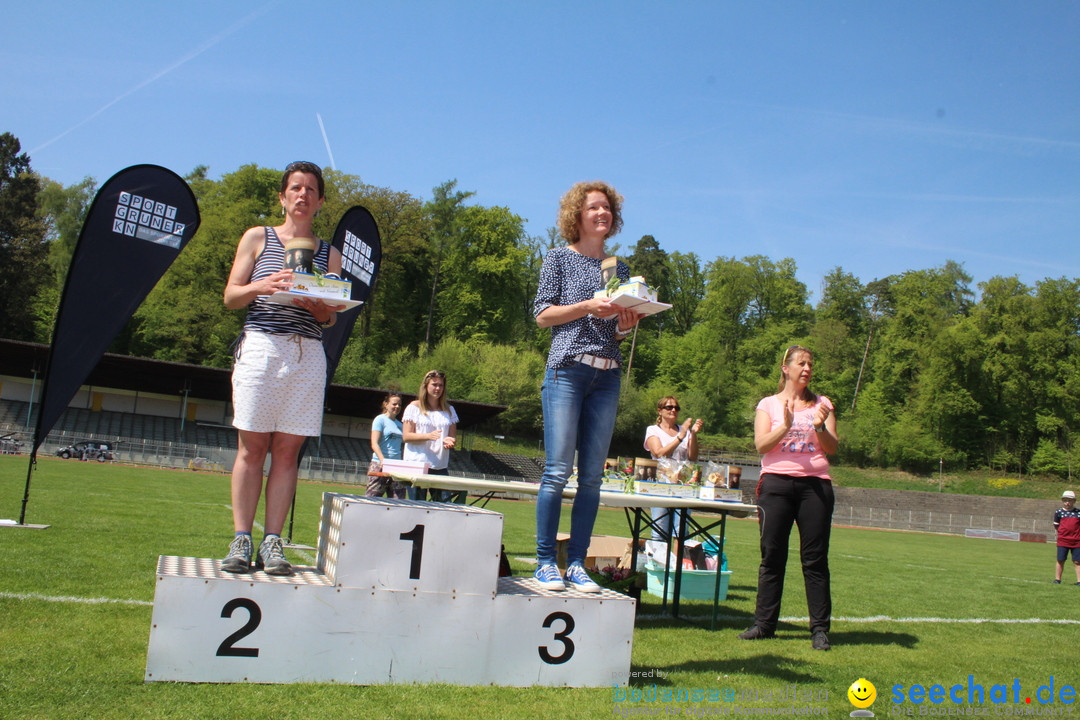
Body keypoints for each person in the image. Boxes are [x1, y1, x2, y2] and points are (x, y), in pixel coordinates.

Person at [220, 161, 344, 576]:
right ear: (283, 196)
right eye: (295, 188)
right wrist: (263, 285)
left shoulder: (330, 253)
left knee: (287, 453)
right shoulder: (258, 237)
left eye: (311, 189)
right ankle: (241, 538)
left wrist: (320, 307)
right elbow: (232, 296)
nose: (302, 195)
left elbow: (331, 318)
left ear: (320, 201)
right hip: (261, 347)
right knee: (252, 448)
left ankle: (273, 541)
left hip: (307, 352)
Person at [532, 181, 642, 593]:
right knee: (558, 471)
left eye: (608, 208)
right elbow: (542, 315)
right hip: (567, 371)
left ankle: (577, 563)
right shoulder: (559, 257)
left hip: (607, 375)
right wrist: (586, 306)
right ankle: (545, 561)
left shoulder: (618, 268)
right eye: (594, 207)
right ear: (577, 214)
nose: (602, 213)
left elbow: (613, 330)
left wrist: (625, 327)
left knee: (593, 477)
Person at [739, 344, 838, 650]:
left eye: (810, 364)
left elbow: (832, 447)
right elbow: (761, 446)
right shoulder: (767, 404)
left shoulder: (823, 403)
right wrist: (786, 424)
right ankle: (764, 625)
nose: (807, 369)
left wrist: (819, 425)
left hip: (815, 487)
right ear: (786, 368)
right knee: (772, 557)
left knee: (815, 560)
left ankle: (820, 630)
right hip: (776, 486)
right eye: (801, 363)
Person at [644, 396, 703, 540]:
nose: (673, 410)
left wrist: (692, 434)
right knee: (659, 531)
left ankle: (678, 562)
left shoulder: (685, 432)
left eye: (676, 408)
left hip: (683, 486)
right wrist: (680, 437)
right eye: (669, 407)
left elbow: (693, 457)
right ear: (660, 411)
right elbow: (658, 453)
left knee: (680, 533)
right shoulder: (653, 430)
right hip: (661, 485)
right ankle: (658, 562)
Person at [402, 370, 460, 503]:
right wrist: (428, 436)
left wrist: (448, 441)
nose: (438, 388)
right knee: (418, 507)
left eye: (441, 385)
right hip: (417, 465)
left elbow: (451, 437)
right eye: (434, 384)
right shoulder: (413, 407)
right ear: (426, 385)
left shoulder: (449, 410)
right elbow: (406, 436)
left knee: (445, 506)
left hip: (440, 466)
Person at [367, 393, 406, 499]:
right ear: (386, 404)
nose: (397, 407)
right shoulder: (380, 420)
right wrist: (382, 460)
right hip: (380, 464)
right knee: (372, 499)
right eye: (394, 404)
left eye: (399, 405)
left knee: (398, 501)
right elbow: (374, 443)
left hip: (396, 467)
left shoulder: (401, 425)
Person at [1052, 490, 1080, 585]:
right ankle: (1057, 579)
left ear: (1074, 501)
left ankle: (1079, 581)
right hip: (1063, 541)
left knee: (1077, 561)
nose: (1067, 502)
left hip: (1077, 541)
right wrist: (1063, 534)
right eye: (1065, 500)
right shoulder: (1059, 512)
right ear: (1062, 501)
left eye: (1070, 500)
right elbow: (1056, 525)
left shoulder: (1078, 513)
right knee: (1060, 560)